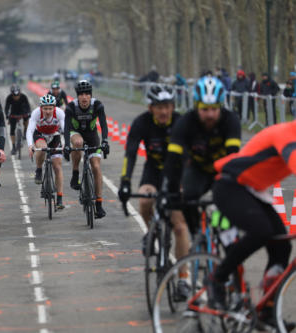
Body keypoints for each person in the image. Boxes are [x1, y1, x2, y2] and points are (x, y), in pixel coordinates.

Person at [208, 121, 296, 325]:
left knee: (282, 246)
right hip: (230, 185)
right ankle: (216, 279)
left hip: (252, 190)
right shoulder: (286, 134)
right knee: (261, 231)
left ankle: (266, 311)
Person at [118, 85, 190, 298]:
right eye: (159, 107)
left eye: (167, 106)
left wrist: (185, 184)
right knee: (144, 200)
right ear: (150, 108)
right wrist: (124, 182)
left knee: (179, 226)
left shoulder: (180, 122)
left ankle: (184, 280)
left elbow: (189, 157)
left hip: (177, 174)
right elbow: (130, 154)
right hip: (153, 172)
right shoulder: (141, 123)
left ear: (173, 107)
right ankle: (152, 232)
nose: (164, 112)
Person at [163, 75, 241, 235]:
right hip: (197, 169)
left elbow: (233, 157)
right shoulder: (185, 122)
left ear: (221, 106)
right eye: (205, 109)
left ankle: (224, 238)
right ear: (196, 106)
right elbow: (172, 159)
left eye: (214, 109)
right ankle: (197, 237)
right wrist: (172, 192)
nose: (210, 115)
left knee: (227, 209)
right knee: (187, 200)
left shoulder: (230, 120)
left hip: (223, 169)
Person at [63, 80, 109, 219]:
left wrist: (106, 141)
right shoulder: (71, 107)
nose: (84, 97)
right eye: (81, 94)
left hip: (92, 135)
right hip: (75, 133)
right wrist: (66, 144)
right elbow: (66, 128)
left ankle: (99, 205)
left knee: (96, 166)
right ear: (77, 96)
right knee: (78, 142)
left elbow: (104, 124)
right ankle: (75, 173)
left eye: (87, 94)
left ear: (90, 95)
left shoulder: (97, 105)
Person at [27, 94, 65, 210]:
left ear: (54, 107)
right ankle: (39, 169)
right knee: (42, 148)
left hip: (55, 136)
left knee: (57, 166)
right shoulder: (36, 113)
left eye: (50, 108)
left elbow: (65, 129)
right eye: (45, 108)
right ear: (41, 108)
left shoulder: (59, 113)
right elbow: (29, 130)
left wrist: (66, 143)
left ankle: (59, 198)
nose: (48, 111)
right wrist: (30, 145)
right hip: (40, 135)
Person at [4, 85, 31, 155]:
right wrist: (7, 114)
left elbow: (28, 106)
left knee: (27, 119)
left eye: (18, 95)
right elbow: (6, 107)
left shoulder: (23, 97)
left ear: (20, 93)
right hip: (13, 113)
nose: (16, 97)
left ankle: (25, 132)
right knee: (12, 129)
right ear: (12, 94)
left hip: (22, 111)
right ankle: (13, 147)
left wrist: (28, 113)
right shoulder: (9, 98)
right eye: (14, 95)